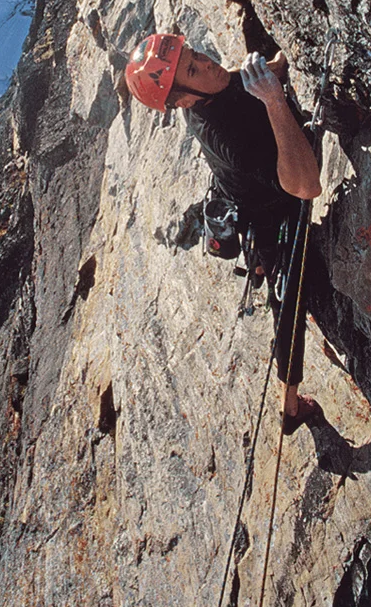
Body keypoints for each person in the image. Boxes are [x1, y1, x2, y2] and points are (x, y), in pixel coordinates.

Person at [125, 33, 322, 434]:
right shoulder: (228, 138)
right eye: (193, 68)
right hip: (270, 212)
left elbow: (229, 77)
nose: (208, 62)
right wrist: (274, 100)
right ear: (182, 100)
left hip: (247, 194)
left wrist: (274, 68)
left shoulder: (207, 89)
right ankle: (290, 407)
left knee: (285, 294)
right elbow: (305, 187)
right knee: (289, 301)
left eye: (193, 53)